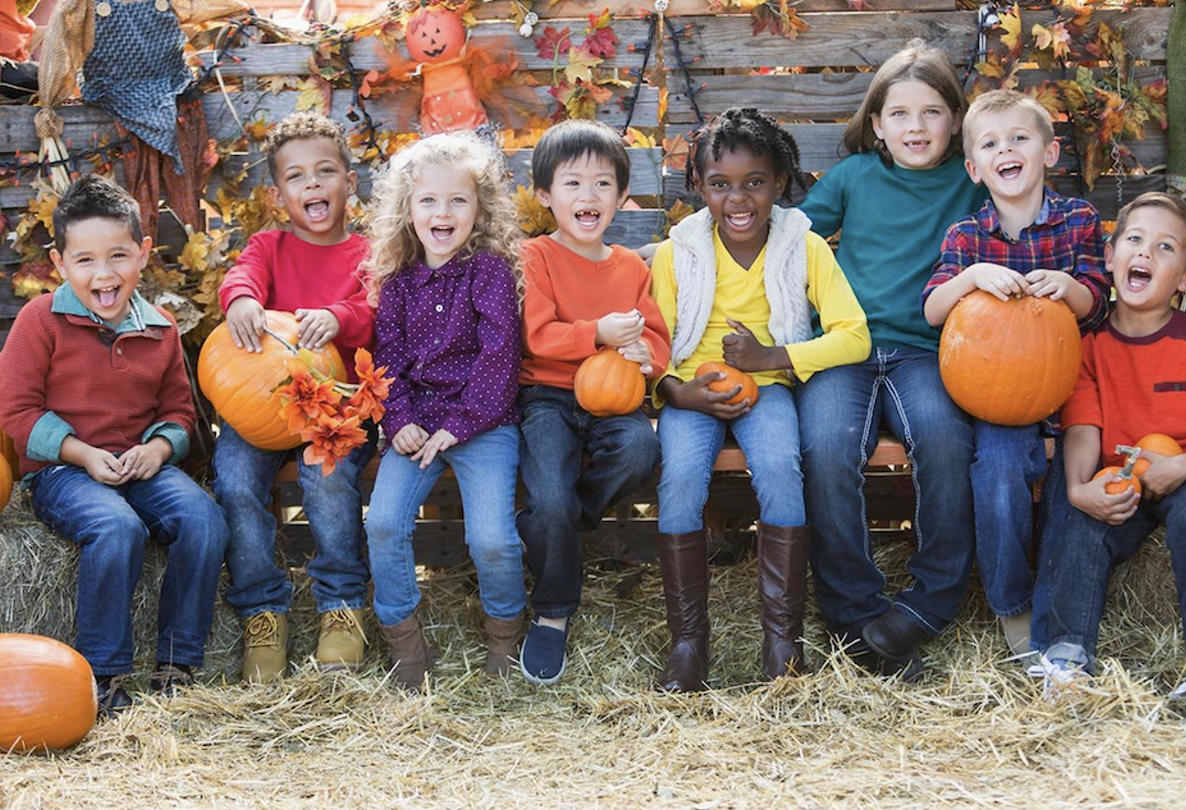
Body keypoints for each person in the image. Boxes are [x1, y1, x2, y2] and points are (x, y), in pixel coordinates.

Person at [650, 107, 871, 690]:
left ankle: (782, 644)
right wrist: (678, 392)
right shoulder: (678, 253)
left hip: (767, 389)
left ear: (779, 183)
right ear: (699, 187)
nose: (738, 199)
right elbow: (653, 343)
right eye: (720, 185)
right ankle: (689, 646)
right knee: (679, 481)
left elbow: (854, 335)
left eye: (755, 182)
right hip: (689, 393)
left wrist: (772, 358)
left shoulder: (806, 247)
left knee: (780, 468)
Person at [1031, 192, 1186, 732]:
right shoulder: (1087, 350)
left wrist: (1183, 468)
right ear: (1110, 257)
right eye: (1134, 240)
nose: (1146, 253)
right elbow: (1082, 424)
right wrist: (1080, 487)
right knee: (1084, 525)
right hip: (1128, 476)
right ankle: (1067, 663)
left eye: (1165, 247)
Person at [794, 39, 988, 679]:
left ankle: (929, 603)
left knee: (944, 439)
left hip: (924, 351)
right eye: (899, 114)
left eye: (932, 112)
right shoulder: (853, 177)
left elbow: (1016, 223)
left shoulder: (971, 180)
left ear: (956, 120)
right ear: (876, 124)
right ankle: (855, 616)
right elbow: (792, 240)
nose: (916, 127)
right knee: (823, 445)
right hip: (843, 347)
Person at [0, 175, 228, 713]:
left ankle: (178, 662)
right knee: (115, 526)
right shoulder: (41, 321)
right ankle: (102, 676)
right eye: (85, 261)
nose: (104, 275)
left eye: (118, 256)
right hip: (64, 471)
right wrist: (81, 453)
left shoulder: (161, 328)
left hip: (139, 463)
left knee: (203, 518)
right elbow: (16, 413)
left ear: (143, 254)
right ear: (59, 263)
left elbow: (178, 412)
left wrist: (158, 450)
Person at [920, 89, 1111, 661]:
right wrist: (973, 276)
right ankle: (1013, 607)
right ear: (975, 168)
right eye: (991, 143)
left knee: (1068, 498)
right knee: (998, 471)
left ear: (1050, 153)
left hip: (1070, 388)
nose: (1007, 150)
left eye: (1019, 138)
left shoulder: (1078, 221)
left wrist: (1074, 290)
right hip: (999, 397)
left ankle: (1064, 612)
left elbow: (1100, 300)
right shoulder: (967, 239)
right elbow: (932, 309)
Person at [213, 111, 376, 683]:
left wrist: (338, 316)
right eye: (296, 177)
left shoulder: (369, 253)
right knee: (233, 478)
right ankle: (262, 608)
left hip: (335, 408)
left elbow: (376, 308)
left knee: (327, 483)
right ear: (279, 192)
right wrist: (240, 301)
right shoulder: (269, 246)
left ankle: (340, 602)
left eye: (325, 171)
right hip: (262, 402)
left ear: (349, 183)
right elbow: (239, 277)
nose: (312, 184)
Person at [362, 132, 528, 689]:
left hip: (483, 422)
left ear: (479, 210)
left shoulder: (490, 273)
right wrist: (399, 419)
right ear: (407, 210)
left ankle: (505, 634)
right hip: (416, 423)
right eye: (428, 200)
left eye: (458, 200)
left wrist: (456, 427)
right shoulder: (399, 281)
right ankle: (405, 643)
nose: (443, 212)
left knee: (492, 538)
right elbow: (388, 359)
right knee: (383, 522)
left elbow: (499, 360)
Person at [516, 119, 672, 685]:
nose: (589, 196)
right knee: (548, 490)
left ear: (622, 197)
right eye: (573, 184)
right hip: (548, 396)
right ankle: (553, 612)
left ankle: (559, 521)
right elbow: (535, 336)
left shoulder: (631, 266)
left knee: (639, 452)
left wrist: (644, 357)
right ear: (544, 195)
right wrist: (599, 333)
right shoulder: (535, 257)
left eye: (603, 184)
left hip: (615, 398)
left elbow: (654, 335)